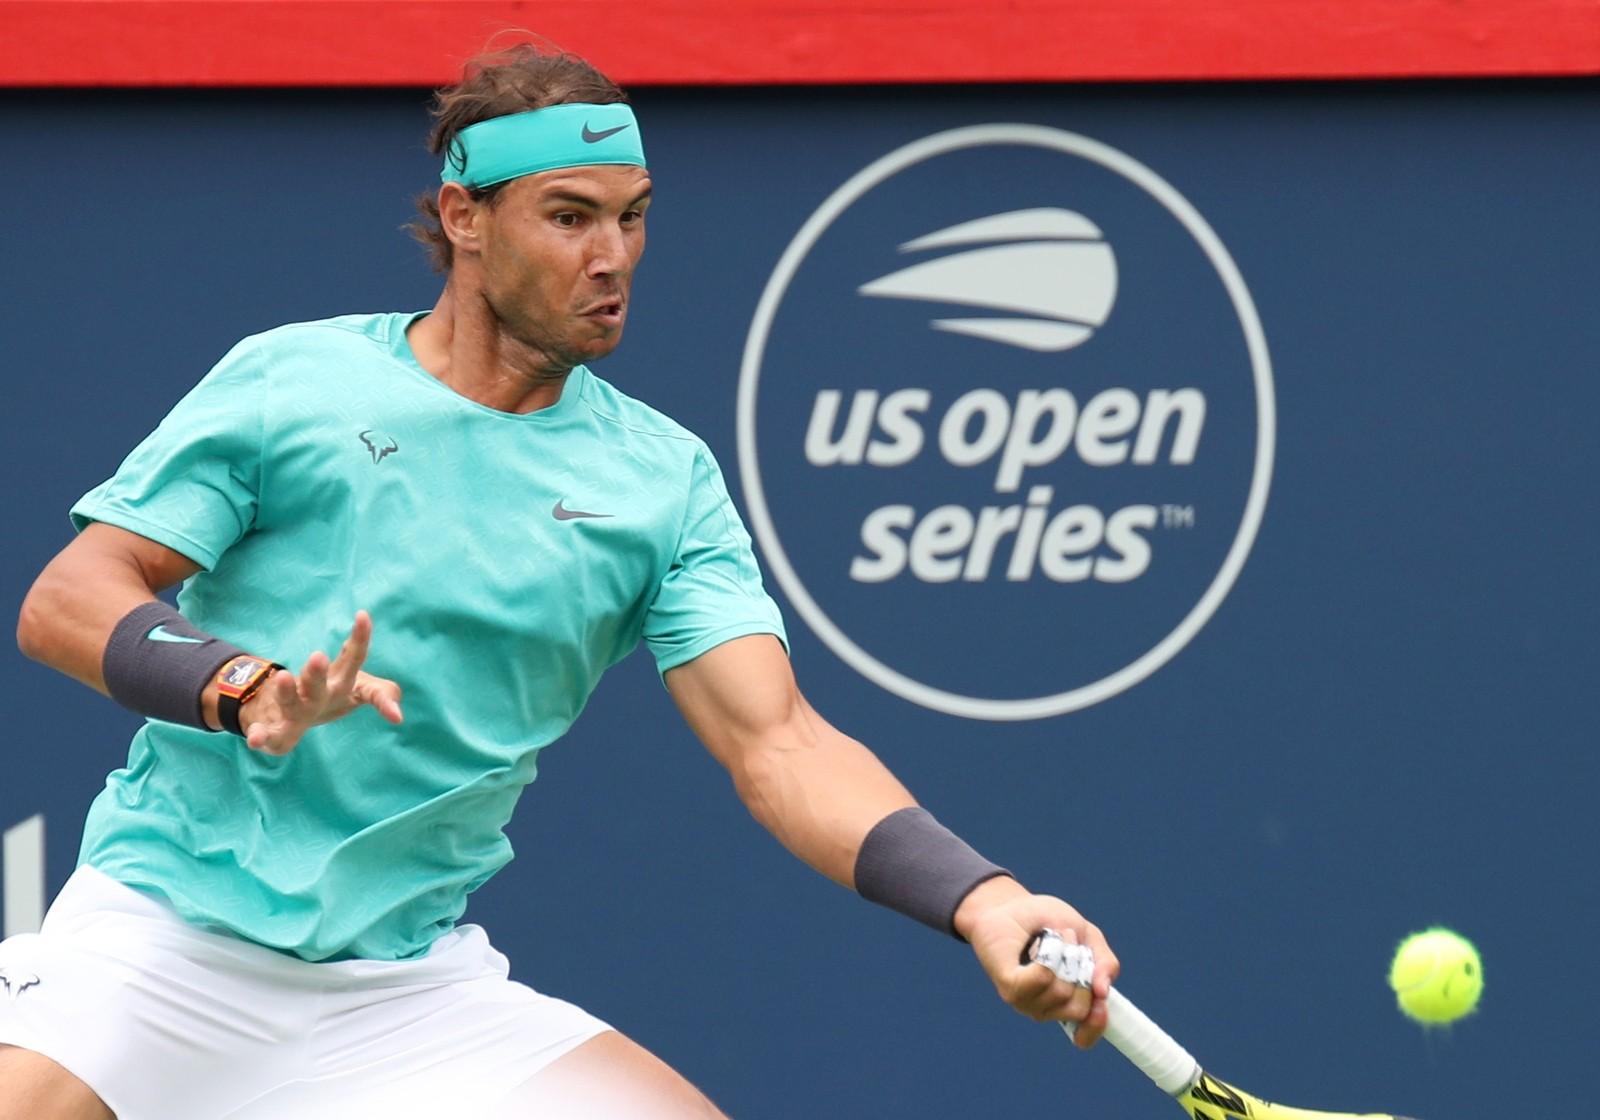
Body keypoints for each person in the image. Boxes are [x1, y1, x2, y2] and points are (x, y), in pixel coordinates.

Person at [0, 44, 1118, 1120]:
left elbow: (779, 743)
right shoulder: (292, 382)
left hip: (405, 991)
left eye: (632, 216)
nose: (614, 255)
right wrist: (243, 686)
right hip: (160, 940)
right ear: (462, 219)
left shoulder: (660, 481)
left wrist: (983, 897)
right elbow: (69, 597)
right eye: (571, 216)